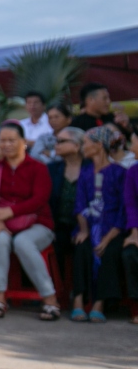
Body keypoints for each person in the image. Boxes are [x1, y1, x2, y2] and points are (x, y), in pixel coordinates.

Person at [0, 121, 59, 320]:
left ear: (23, 142)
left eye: (11, 140)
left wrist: (8, 212)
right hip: (4, 223)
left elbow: (39, 199)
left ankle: (50, 299)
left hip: (38, 224)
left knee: (23, 243)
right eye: (2, 141)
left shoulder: (38, 167)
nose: (6, 144)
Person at [70, 126, 126, 322]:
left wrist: (108, 237)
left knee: (109, 251)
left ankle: (99, 302)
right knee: (81, 247)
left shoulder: (119, 173)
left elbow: (123, 209)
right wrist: (84, 229)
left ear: (98, 145)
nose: (82, 147)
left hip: (112, 229)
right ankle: (78, 300)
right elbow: (79, 204)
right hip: (89, 225)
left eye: (85, 143)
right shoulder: (85, 173)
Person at [48, 127, 87, 281]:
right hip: (58, 224)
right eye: (56, 141)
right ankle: (57, 291)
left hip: (85, 225)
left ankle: (80, 294)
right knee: (55, 244)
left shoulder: (91, 168)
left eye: (61, 141)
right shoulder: (52, 169)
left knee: (82, 247)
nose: (56, 145)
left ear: (77, 146)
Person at [121, 160, 138, 324]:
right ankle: (136, 305)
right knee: (130, 253)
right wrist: (134, 232)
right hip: (137, 230)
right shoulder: (133, 170)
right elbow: (131, 204)